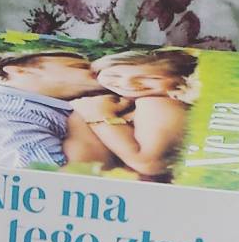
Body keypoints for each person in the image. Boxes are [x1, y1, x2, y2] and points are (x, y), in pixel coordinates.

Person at [0, 51, 116, 168]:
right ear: (20, 71)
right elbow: (60, 184)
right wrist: (87, 116)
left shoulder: (36, 105)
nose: (102, 72)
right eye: (80, 67)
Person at [69, 49, 199, 178]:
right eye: (114, 75)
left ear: (179, 80)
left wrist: (97, 114)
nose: (127, 83)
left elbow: (149, 163)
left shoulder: (156, 103)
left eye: (150, 78)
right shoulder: (133, 102)